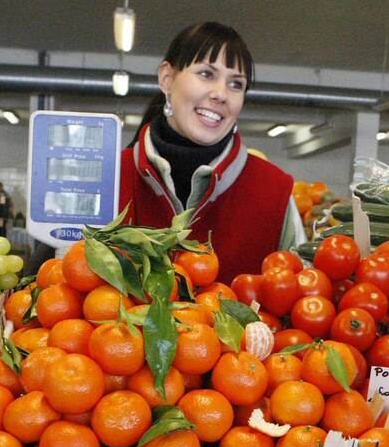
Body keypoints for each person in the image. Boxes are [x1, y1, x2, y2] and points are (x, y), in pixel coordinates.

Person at [28, 21, 305, 282]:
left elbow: (306, 300)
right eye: (207, 74)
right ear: (167, 79)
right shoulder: (106, 179)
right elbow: (47, 286)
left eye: (236, 84)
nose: (221, 93)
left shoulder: (274, 193)